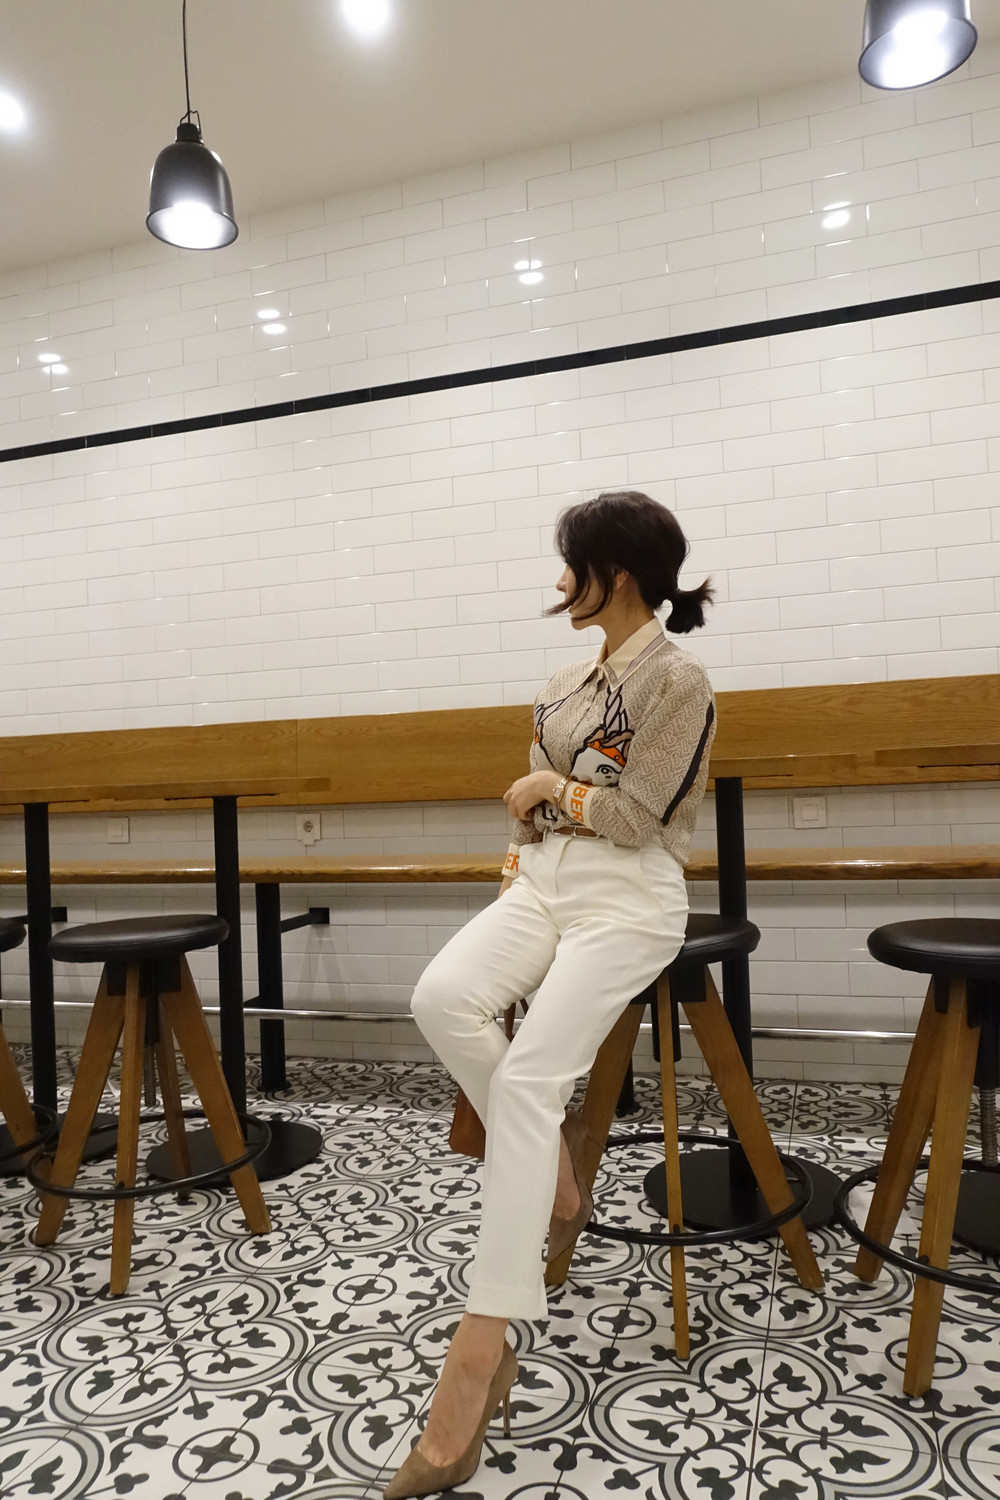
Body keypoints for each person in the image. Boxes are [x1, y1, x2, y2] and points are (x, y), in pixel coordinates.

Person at [382, 489, 716, 1499]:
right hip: (542, 884)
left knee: (529, 1086)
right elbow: (530, 815)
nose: (561, 583)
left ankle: (476, 1361)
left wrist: (544, 791)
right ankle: (562, 1181)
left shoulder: (679, 682)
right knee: (441, 996)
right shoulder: (564, 681)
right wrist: (517, 861)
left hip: (631, 897)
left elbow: (637, 815)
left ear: (618, 573)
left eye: (573, 565)